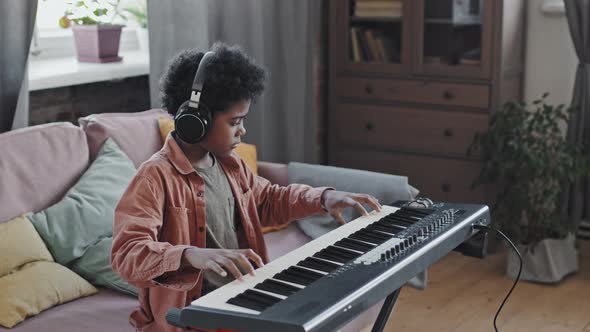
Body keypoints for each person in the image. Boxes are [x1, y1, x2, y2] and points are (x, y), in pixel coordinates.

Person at [111, 42, 382, 332]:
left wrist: (324, 198)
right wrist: (191, 254)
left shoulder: (231, 165)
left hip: (240, 304)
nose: (243, 130)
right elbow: (127, 254)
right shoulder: (154, 178)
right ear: (195, 121)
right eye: (234, 122)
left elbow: (267, 201)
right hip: (190, 319)